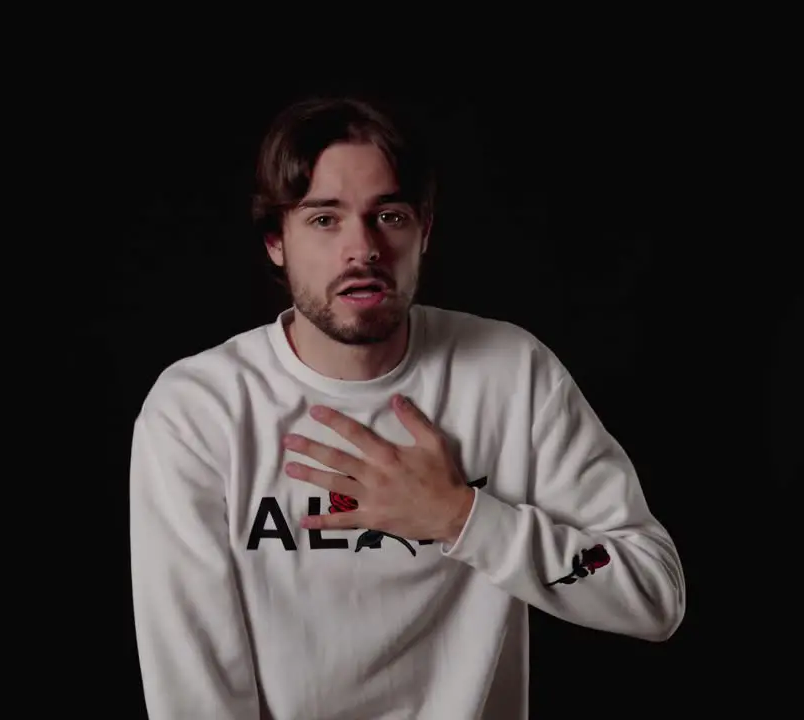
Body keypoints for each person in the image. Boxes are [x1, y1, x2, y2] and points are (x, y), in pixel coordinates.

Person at [129, 95, 685, 719]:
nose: (361, 248)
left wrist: (462, 517)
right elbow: (195, 695)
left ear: (424, 230)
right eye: (323, 219)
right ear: (275, 242)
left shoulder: (511, 374)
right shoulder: (198, 412)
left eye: (388, 216)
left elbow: (651, 593)